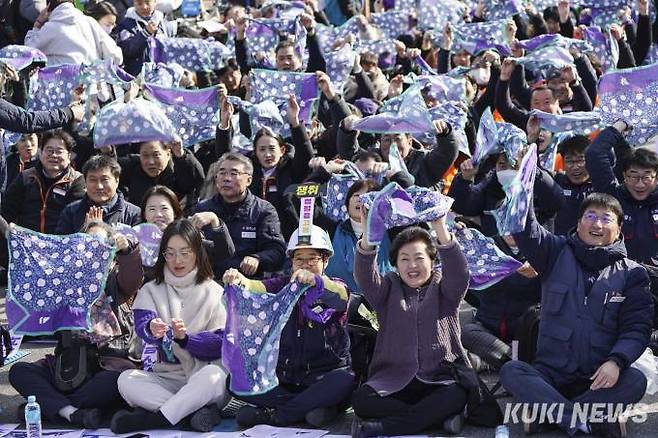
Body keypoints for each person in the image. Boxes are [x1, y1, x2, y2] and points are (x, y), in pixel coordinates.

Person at [500, 192, 653, 436]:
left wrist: (616, 362)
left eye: (606, 218)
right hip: (551, 373)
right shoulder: (554, 252)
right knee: (512, 371)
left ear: (619, 227)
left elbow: (637, 328)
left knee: (635, 380)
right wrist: (520, 184)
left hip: (599, 379)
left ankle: (553, 412)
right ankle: (583, 422)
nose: (597, 224)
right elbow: (525, 229)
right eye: (590, 216)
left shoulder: (632, 274)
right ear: (579, 222)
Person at [9, 221, 143, 428]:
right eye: (86, 242)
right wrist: (17, 237)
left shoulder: (117, 283)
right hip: (68, 366)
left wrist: (126, 249)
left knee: (115, 383)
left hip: (107, 366)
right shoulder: (63, 284)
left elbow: (133, 277)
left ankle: (52, 408)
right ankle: (70, 413)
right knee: (19, 371)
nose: (91, 249)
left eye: (98, 242)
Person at [351, 214, 471, 437]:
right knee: (361, 401)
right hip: (394, 380)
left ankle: (385, 427)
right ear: (396, 264)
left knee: (456, 394)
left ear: (432, 261)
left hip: (437, 379)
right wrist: (369, 235)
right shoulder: (387, 287)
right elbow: (365, 276)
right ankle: (438, 417)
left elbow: (460, 274)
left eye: (419, 258)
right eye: (404, 259)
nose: (412, 265)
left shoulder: (444, 288)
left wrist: (441, 229)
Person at [223, 225, 354, 429]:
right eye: (299, 259)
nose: (306, 264)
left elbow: (341, 296)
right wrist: (240, 280)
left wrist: (316, 282)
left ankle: (275, 416)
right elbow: (257, 287)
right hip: (284, 381)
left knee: (344, 380)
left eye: (313, 258)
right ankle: (304, 410)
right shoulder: (284, 284)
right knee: (236, 378)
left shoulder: (335, 286)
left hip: (323, 379)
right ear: (291, 261)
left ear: (326, 260)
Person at [111, 219, 229, 433]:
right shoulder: (151, 289)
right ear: (162, 254)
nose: (178, 260)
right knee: (126, 380)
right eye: (170, 253)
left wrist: (186, 339)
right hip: (166, 377)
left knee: (215, 376)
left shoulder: (214, 291)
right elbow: (142, 324)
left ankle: (157, 420)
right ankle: (191, 414)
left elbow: (221, 343)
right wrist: (151, 329)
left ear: (197, 253)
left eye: (185, 252)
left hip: (201, 375)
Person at [585, 120, 658, 328]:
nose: (640, 184)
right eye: (633, 177)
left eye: (647, 177)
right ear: (624, 176)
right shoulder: (613, 198)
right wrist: (620, 126)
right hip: (618, 291)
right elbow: (594, 154)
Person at [215, 94, 314, 239]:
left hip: (287, 235)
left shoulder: (292, 169)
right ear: (255, 152)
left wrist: (295, 121)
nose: (267, 154)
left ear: (282, 150)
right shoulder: (248, 171)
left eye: (272, 149)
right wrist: (224, 123)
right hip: (251, 234)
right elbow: (225, 158)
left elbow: (306, 154)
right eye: (262, 149)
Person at [192, 152, 286, 278]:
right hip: (210, 281)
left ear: (249, 180)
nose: (227, 178)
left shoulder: (263, 210)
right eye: (222, 173)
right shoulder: (203, 209)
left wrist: (257, 259)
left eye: (234, 173)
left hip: (248, 283)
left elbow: (277, 251)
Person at [461, 235, 541, 370]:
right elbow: (468, 290)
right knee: (466, 331)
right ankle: (516, 365)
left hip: (526, 333)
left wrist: (540, 272)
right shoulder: (485, 248)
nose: (510, 229)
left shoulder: (541, 250)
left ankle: (490, 364)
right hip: (490, 329)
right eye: (505, 221)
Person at [449, 152, 565, 236]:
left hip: (533, 260)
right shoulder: (490, 186)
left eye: (514, 165)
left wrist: (532, 172)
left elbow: (556, 200)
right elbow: (463, 207)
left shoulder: (538, 184)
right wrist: (465, 179)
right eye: (502, 165)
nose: (508, 170)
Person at [3, 130, 85, 234]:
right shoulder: (25, 177)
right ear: (41, 153)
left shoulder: (77, 181)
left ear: (69, 156)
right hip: (26, 242)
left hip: (61, 243)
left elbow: (78, 218)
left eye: (59, 151)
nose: (54, 155)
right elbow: (7, 211)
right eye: (49, 150)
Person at [325, 179, 393, 294]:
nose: (361, 199)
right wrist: (323, 172)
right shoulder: (331, 230)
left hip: (383, 303)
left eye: (368, 195)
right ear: (347, 203)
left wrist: (393, 173)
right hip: (341, 305)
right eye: (356, 195)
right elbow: (296, 198)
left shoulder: (392, 231)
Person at [56, 155, 141, 234]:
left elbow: (138, 247)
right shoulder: (70, 212)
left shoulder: (134, 214)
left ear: (117, 181)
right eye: (93, 180)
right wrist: (85, 232)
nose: (99, 186)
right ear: (85, 182)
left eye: (104, 180)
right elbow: (62, 246)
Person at [114, 139, 205, 213]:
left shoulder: (180, 167)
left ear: (168, 154)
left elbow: (197, 179)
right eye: (145, 155)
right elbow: (111, 170)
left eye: (156, 155)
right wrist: (108, 152)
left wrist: (181, 155)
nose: (151, 161)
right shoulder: (133, 166)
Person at [24, 0, 123, 65]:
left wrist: (37, 24)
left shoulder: (50, 28)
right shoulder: (90, 22)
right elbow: (116, 56)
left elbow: (28, 50)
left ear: (48, 9)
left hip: (59, 88)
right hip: (88, 88)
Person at [112, 0, 176, 76]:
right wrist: (144, 34)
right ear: (134, 3)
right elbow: (126, 50)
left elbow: (172, 50)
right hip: (136, 78)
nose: (144, 7)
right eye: (139, 3)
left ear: (155, 2)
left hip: (162, 76)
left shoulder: (165, 24)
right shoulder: (125, 25)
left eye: (147, 2)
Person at [554, 135, 593, 235]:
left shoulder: (601, 184)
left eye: (580, 160)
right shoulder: (556, 182)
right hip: (562, 246)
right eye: (569, 161)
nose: (575, 167)